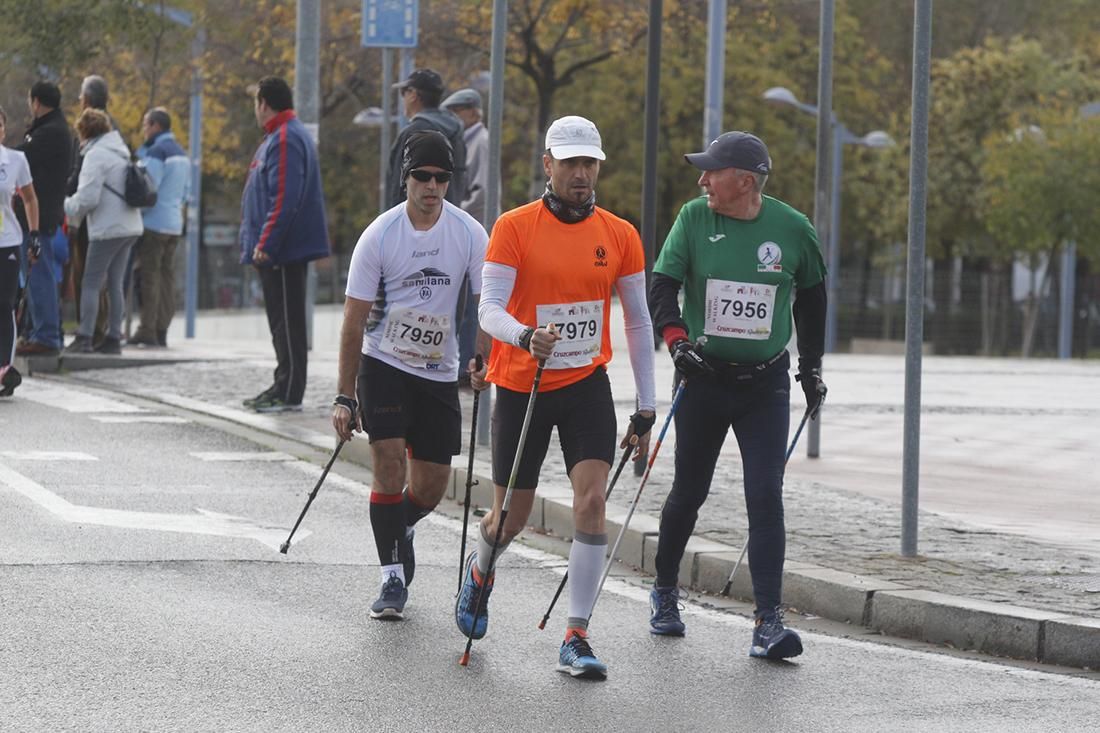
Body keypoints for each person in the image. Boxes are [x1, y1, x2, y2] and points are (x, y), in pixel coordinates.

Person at [459, 115, 657, 680]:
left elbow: (639, 323)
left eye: (588, 163)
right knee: (511, 518)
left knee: (592, 503)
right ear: (547, 164)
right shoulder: (514, 227)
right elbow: (488, 308)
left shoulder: (620, 234)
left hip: (586, 385)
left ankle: (576, 634)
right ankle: (481, 570)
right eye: (569, 162)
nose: (580, 174)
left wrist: (646, 406)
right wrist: (524, 335)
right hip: (524, 385)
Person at [647, 131, 827, 660]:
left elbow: (813, 300)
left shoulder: (792, 229)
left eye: (712, 172)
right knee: (689, 492)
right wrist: (676, 342)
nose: (702, 180)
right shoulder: (694, 218)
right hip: (703, 379)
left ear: (744, 181)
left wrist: (811, 369)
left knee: (764, 494)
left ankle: (768, 621)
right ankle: (664, 592)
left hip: (764, 385)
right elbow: (662, 284)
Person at [331, 130, 490, 620]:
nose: (433, 186)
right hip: (386, 364)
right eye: (423, 177)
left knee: (430, 487)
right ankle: (392, 579)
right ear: (407, 179)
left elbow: (487, 303)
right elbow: (354, 319)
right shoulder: (380, 235)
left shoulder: (469, 233)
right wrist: (344, 396)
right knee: (388, 464)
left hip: (438, 373)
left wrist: (482, 359)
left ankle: (400, 527)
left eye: (443, 178)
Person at [239, 76, 331, 413]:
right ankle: (283, 382)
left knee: (288, 322)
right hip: (280, 248)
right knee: (281, 321)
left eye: (256, 103)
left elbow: (284, 197)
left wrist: (266, 242)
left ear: (264, 102)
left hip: (283, 249)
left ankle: (289, 391)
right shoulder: (279, 136)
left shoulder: (285, 138)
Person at [62, 109, 143, 355]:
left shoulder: (96, 156)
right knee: (116, 283)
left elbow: (87, 198)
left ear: (84, 132)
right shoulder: (120, 151)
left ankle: (85, 336)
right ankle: (113, 338)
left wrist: (63, 204)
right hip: (129, 226)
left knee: (90, 282)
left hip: (108, 228)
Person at [14, 81, 73, 357]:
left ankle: (46, 336)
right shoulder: (55, 129)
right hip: (41, 215)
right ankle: (40, 333)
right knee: (36, 275)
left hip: (39, 217)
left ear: (36, 101)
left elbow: (20, 158)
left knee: (40, 276)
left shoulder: (50, 133)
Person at [440, 87, 489, 387]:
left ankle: (468, 365)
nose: (454, 119)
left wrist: (453, 214)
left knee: (473, 304)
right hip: (465, 228)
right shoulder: (464, 141)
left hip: (475, 230)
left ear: (472, 112)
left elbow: (481, 191)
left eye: (456, 112)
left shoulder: (480, 141)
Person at [130, 107, 190, 348]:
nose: (144, 130)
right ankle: (162, 328)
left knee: (149, 278)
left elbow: (147, 190)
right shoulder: (182, 153)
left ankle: (147, 330)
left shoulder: (156, 152)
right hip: (174, 224)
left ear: (155, 126)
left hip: (153, 224)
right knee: (167, 278)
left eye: (146, 124)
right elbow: (186, 193)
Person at [67, 75, 117, 349]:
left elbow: (79, 175)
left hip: (91, 213)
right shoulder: (115, 128)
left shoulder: (88, 127)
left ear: (86, 99)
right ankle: (102, 330)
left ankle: (89, 333)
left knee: (86, 274)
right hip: (112, 213)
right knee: (105, 277)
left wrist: (65, 196)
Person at [0, 106, 40, 396]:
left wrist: (34, 233)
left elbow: (29, 198)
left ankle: (3, 368)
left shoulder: (15, 160)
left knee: (4, 305)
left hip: (7, 242)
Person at [386, 69, 466, 209]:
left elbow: (398, 187)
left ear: (413, 95)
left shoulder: (412, 133)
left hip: (415, 223)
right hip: (448, 218)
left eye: (403, 93)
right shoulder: (455, 131)